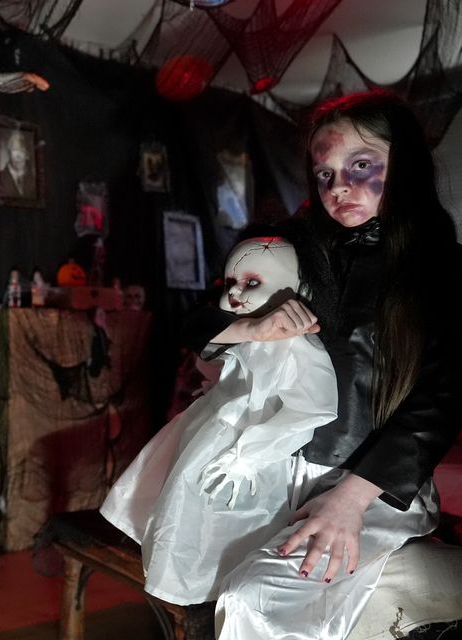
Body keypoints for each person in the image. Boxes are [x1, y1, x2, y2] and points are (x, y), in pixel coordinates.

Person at [202, 90, 462, 638]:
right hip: (275, 472)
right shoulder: (289, 250)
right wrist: (250, 326)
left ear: (405, 163)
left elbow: (441, 398)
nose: (338, 187)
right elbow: (200, 321)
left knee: (252, 600)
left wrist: (350, 501)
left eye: (360, 166)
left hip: (375, 490)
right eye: (323, 175)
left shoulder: (442, 267)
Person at [100, 235, 338, 605]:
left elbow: (310, 408)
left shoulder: (297, 345)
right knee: (186, 511)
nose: (237, 295)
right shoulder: (245, 329)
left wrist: (250, 455)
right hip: (213, 437)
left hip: (247, 452)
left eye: (252, 283)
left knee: (227, 528)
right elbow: (212, 358)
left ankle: (211, 591)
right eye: (232, 284)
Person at [0, 130, 36, 200]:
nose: (18, 154)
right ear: (9, 152)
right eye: (15, 149)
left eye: (21, 149)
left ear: (27, 154)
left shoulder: (34, 180)